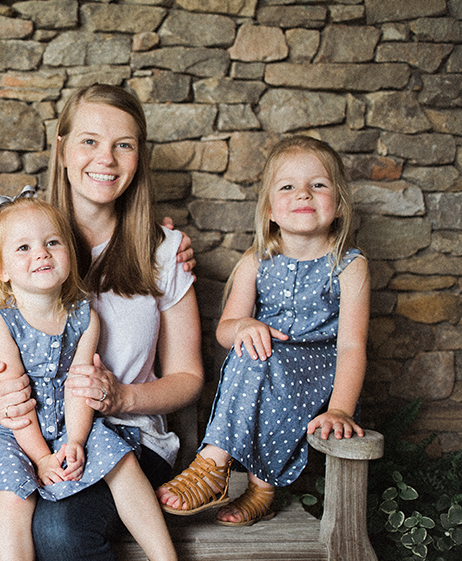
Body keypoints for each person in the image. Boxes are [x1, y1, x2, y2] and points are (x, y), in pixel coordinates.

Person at [0, 84, 204, 561]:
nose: (104, 159)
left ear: (140, 158)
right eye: (88, 140)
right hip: (12, 434)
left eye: (124, 145)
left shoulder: (165, 249)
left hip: (119, 437)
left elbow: (188, 376)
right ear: (60, 148)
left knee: (60, 531)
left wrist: (124, 396)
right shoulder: (17, 238)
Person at [157, 136, 368, 526]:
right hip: (266, 363)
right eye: (288, 186)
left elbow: (352, 345)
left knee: (260, 357)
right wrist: (243, 325)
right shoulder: (257, 261)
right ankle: (242, 478)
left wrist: (340, 407)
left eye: (318, 185)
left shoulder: (348, 265)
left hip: (321, 373)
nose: (303, 193)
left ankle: (225, 470)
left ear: (338, 204)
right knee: (250, 350)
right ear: (270, 209)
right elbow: (225, 330)